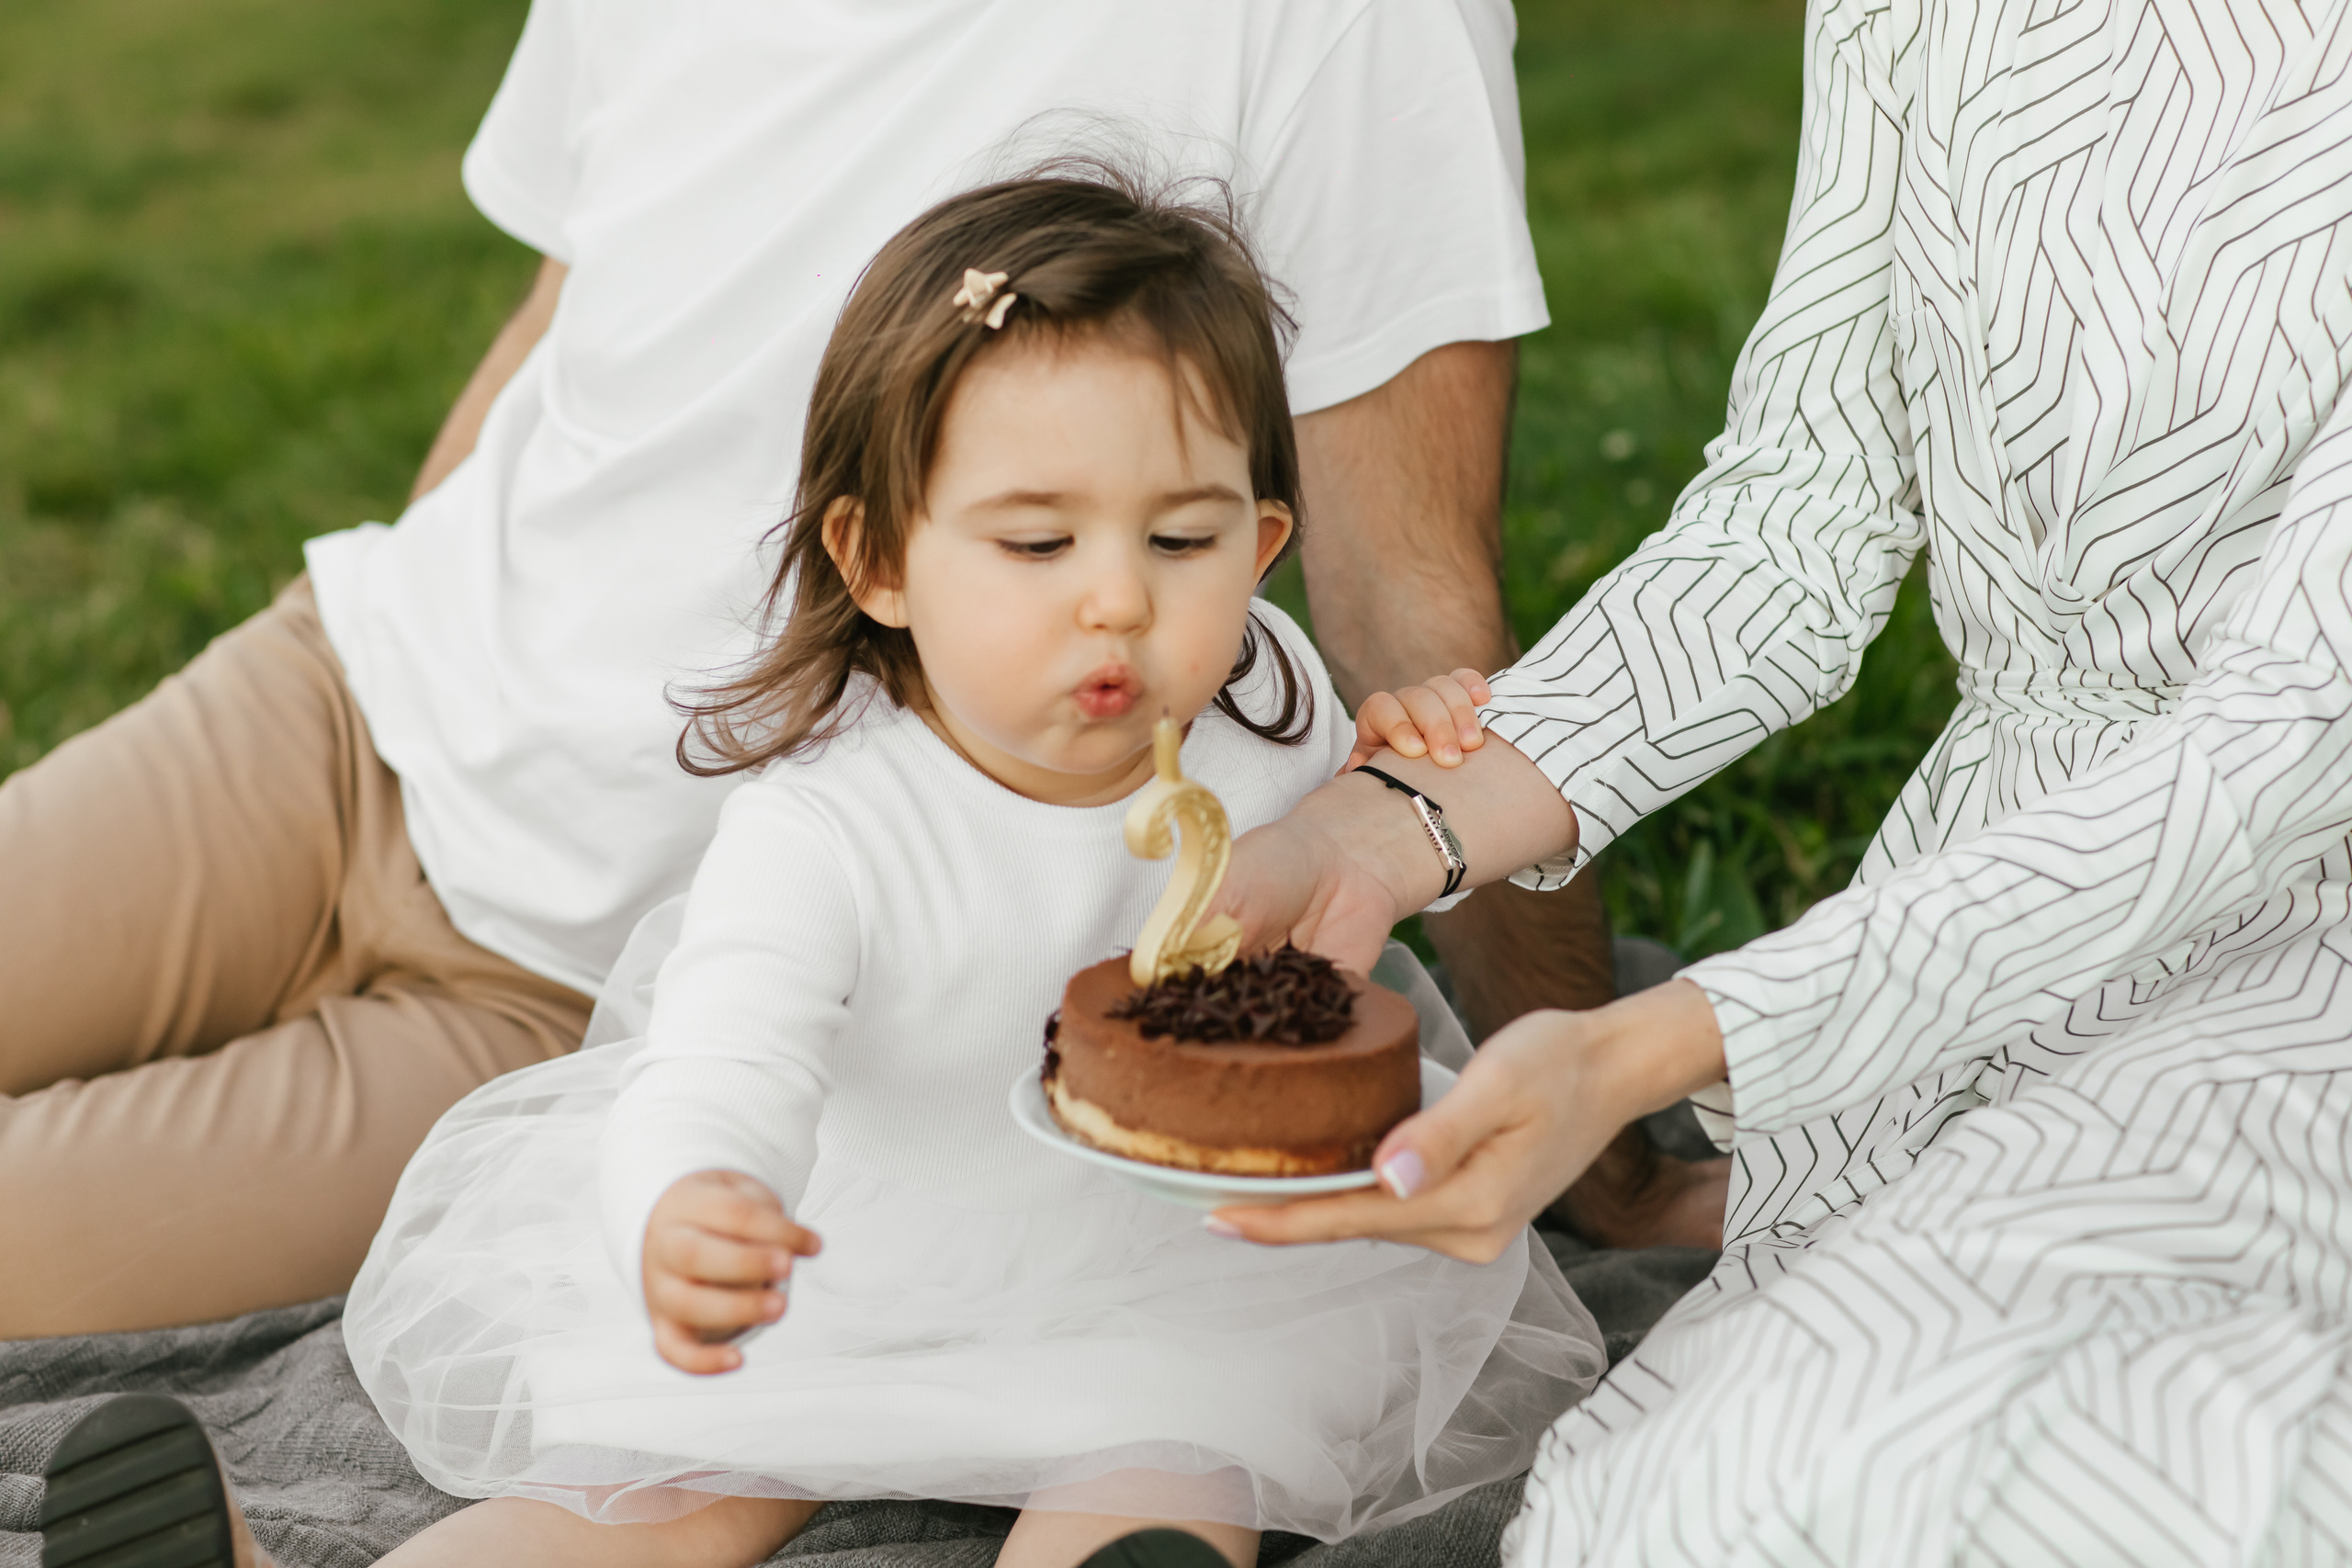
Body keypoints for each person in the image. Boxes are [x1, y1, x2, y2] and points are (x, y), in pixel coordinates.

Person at [0, 0, 1668, 1341]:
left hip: (575, 987)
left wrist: (1588, 1132)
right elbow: (559, 325)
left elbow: (1411, 604)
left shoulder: (1358, 21)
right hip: (341, 702)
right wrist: (408, 631)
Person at [1199, 0, 2352, 1556]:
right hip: (1973, 911)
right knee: (1693, 1493)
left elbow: (2273, 751)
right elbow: (1787, 538)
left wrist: (1650, 1048)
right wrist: (1385, 833)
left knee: (2051, 1473)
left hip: (2301, 958)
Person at [324, 172, 1597, 1568]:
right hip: (857, 1273)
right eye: (1038, 543)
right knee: (667, 1496)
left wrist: (1408, 771)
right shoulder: (834, 826)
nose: (1119, 596)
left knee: (1181, 1453)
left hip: (1177, 1283)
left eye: (1182, 540)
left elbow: (1364, 885)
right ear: (879, 562)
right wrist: (700, 1200)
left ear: (1261, 547)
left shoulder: (1264, 698)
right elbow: (721, 1060)